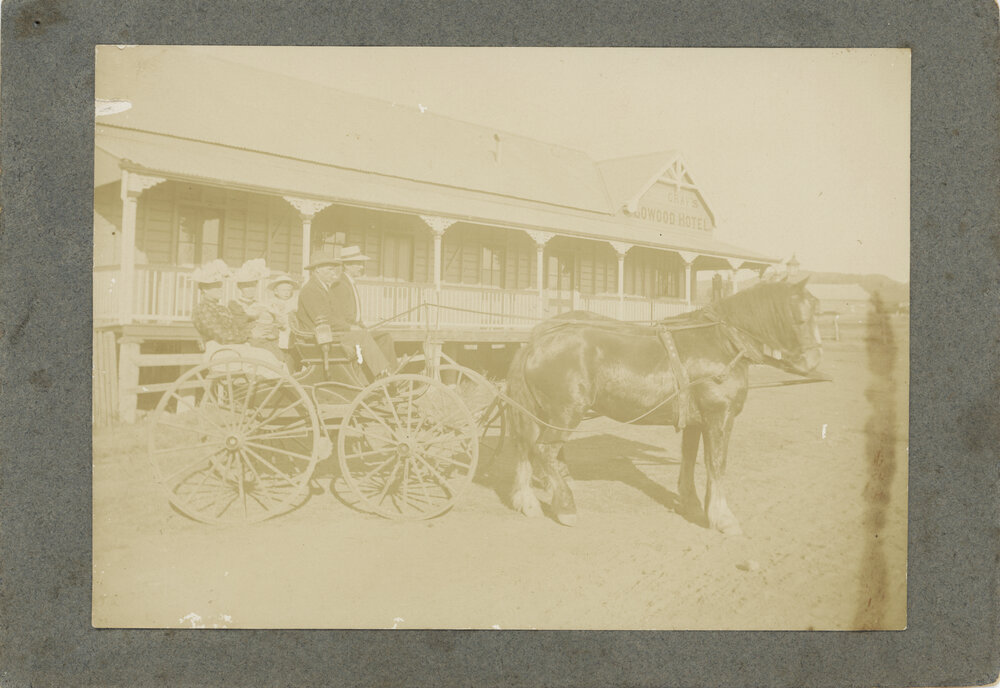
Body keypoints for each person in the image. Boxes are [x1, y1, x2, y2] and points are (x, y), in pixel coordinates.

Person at [296, 246, 395, 378]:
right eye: (330, 269)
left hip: (331, 333)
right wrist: (349, 327)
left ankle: (384, 372)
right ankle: (383, 373)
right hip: (321, 337)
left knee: (378, 335)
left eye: (333, 269)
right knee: (362, 336)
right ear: (317, 269)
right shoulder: (311, 290)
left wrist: (355, 325)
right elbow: (323, 319)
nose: (334, 272)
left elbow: (338, 315)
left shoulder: (323, 288)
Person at [336, 245, 398, 371]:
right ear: (346, 265)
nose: (362, 267)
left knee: (384, 337)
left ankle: (390, 371)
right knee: (381, 337)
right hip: (346, 332)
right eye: (358, 264)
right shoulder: (341, 284)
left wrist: (362, 325)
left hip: (356, 329)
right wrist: (356, 327)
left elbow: (353, 315)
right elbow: (342, 315)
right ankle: (385, 372)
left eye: (361, 264)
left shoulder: (349, 282)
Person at [229, 258, 283, 359]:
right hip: (247, 342)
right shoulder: (235, 304)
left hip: (266, 340)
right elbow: (238, 325)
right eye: (246, 286)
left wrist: (272, 332)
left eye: (253, 286)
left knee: (276, 354)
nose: (250, 289)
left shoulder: (262, 304)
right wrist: (253, 332)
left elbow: (275, 323)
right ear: (240, 287)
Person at [191, 259, 249, 345]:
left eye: (220, 285)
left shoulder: (222, 309)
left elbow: (236, 330)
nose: (220, 289)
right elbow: (221, 336)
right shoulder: (202, 309)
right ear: (205, 289)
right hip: (218, 348)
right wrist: (248, 337)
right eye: (216, 286)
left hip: (233, 346)